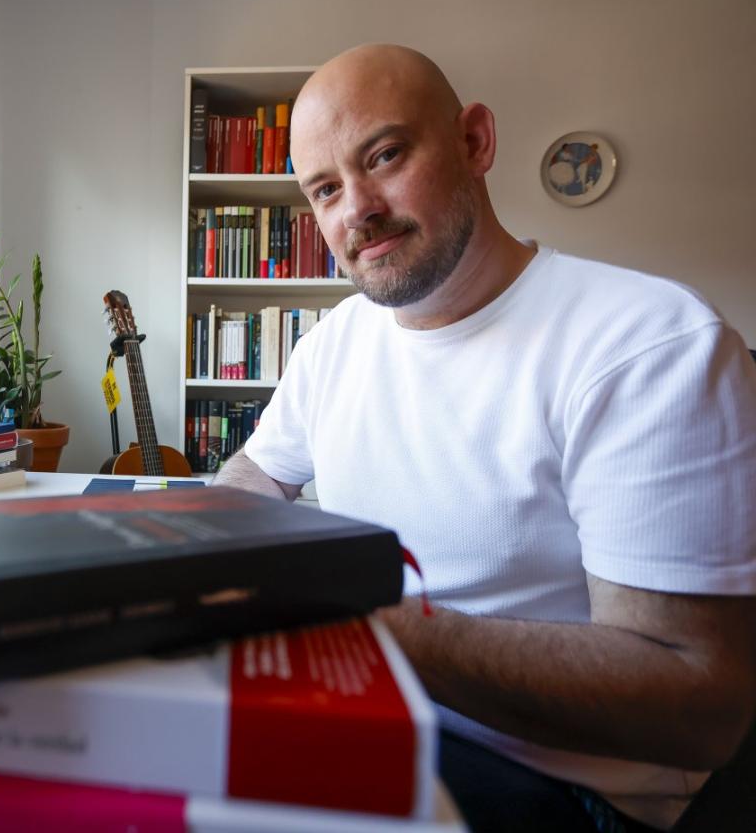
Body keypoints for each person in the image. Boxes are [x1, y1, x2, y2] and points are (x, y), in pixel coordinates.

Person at [213, 44, 756, 833]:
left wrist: (359, 619)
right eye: (325, 188)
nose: (356, 209)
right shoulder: (336, 341)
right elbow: (252, 478)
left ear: (475, 142)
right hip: (377, 712)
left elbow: (697, 703)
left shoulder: (649, 345)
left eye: (386, 155)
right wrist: (193, 556)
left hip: (564, 783)